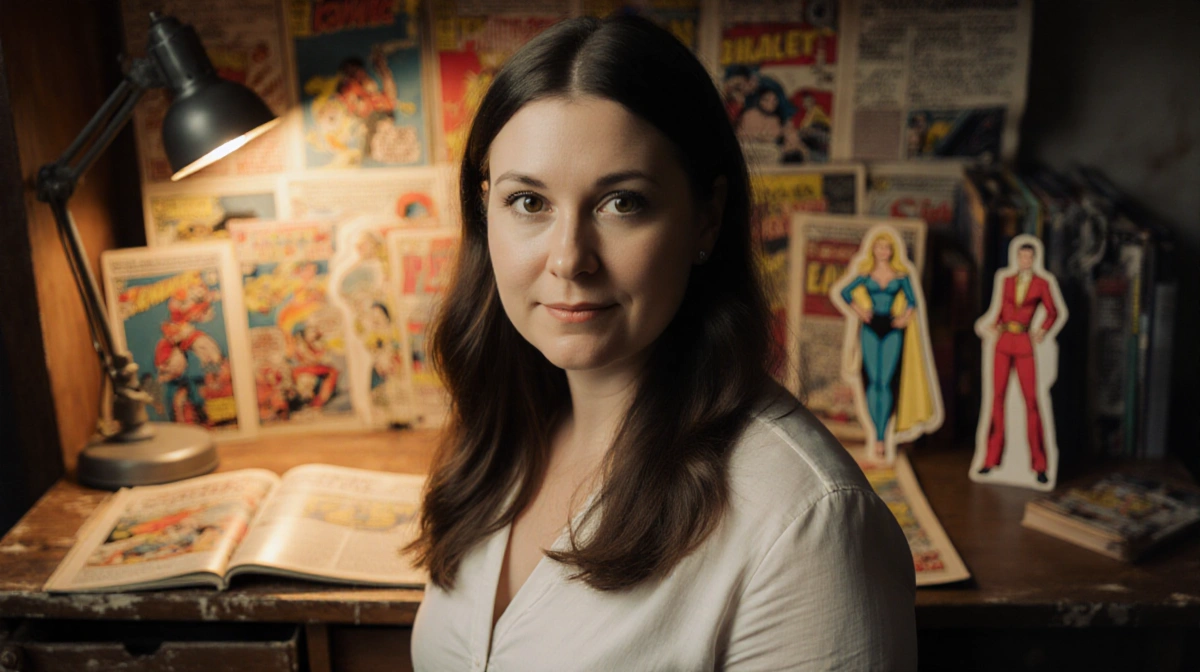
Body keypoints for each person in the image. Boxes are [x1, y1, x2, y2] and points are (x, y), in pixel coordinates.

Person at [408, 15, 915, 671]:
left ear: (706, 217)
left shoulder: (806, 523)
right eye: (529, 202)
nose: (569, 259)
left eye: (622, 203)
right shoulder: (501, 432)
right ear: (485, 210)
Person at [979, 242, 1060, 484]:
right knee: (997, 399)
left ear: (1034, 259)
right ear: (1017, 258)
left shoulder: (1041, 283)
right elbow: (1001, 309)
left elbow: (1053, 311)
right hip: (1003, 342)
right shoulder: (1006, 280)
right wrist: (993, 324)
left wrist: (1043, 329)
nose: (1025, 261)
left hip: (1024, 342)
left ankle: (1040, 465)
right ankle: (990, 459)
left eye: (1029, 257)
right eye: (1022, 257)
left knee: (1031, 401)